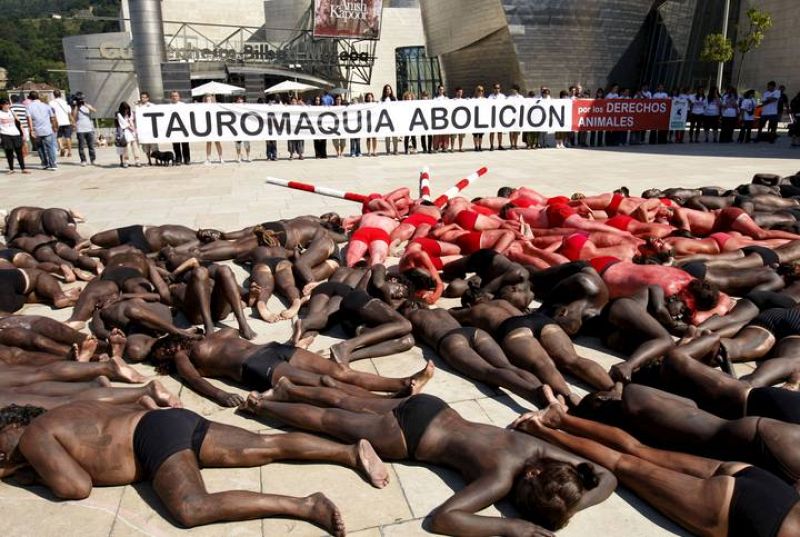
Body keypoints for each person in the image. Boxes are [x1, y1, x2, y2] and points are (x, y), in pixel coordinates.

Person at [242, 387, 616, 536]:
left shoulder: (536, 450)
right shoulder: (500, 478)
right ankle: (264, 404)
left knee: (343, 399)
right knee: (329, 421)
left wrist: (572, 497)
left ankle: (289, 387)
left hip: (433, 406)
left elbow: (607, 477)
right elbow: (442, 520)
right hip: (410, 437)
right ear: (529, 481)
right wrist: (512, 528)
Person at [0, 400, 391, 535]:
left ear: (12, 426)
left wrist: (15, 474)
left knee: (190, 508)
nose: (4, 455)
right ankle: (347, 453)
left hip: (150, 442)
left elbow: (74, 487)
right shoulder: (62, 414)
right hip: (169, 421)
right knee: (263, 445)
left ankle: (306, 505)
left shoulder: (34, 436)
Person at [512, 389, 800, 537]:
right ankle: (540, 430)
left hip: (772, 489)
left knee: (638, 449)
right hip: (748, 516)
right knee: (624, 464)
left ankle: (559, 418)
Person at [26, 91, 58, 171]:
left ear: (30, 98)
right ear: (38, 97)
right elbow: (52, 117)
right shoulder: (46, 106)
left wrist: (31, 130)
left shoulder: (29, 107)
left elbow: (29, 119)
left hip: (37, 130)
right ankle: (53, 164)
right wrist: (54, 126)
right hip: (47, 129)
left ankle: (44, 163)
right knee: (50, 147)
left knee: (40, 147)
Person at [0, 98, 27, 174]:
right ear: (1, 105)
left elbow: (19, 122)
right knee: (9, 152)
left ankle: (23, 168)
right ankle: (11, 169)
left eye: (8, 104)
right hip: (5, 134)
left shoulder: (12, 111)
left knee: (19, 152)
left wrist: (23, 133)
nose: (8, 106)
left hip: (16, 134)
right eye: (6, 104)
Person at [71, 94, 96, 166]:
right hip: (80, 129)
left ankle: (93, 159)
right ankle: (83, 160)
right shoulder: (76, 108)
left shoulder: (87, 106)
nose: (82, 101)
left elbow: (94, 110)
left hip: (89, 128)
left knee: (91, 145)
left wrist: (86, 105)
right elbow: (73, 116)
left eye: (82, 99)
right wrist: (76, 107)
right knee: (81, 146)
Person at [115, 101, 140, 168]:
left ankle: (137, 160)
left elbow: (134, 119)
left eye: (127, 109)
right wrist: (130, 127)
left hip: (133, 131)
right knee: (127, 147)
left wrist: (134, 129)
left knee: (135, 146)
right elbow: (123, 123)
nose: (126, 110)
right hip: (126, 131)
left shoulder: (131, 113)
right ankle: (126, 161)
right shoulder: (119, 114)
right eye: (125, 109)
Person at [49, 90, 73, 158]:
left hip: (57, 122)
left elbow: (51, 113)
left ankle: (61, 148)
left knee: (58, 136)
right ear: (61, 95)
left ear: (54, 95)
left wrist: (52, 122)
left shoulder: (51, 103)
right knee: (68, 137)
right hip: (66, 121)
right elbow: (69, 112)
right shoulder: (65, 102)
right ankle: (70, 152)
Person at [169, 91, 191, 165]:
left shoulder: (183, 105)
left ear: (179, 97)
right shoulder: (168, 106)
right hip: (173, 128)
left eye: (176, 96)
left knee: (185, 144)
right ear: (171, 97)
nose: (174, 97)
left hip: (183, 127)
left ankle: (187, 159)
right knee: (176, 145)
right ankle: (178, 159)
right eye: (173, 96)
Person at [136, 92, 157, 165]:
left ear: (148, 98)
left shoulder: (152, 106)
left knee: (154, 146)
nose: (143, 99)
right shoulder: (138, 107)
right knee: (145, 147)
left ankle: (156, 160)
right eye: (142, 97)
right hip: (143, 130)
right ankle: (149, 160)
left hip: (151, 129)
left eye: (144, 97)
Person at [202, 94, 223, 164]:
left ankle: (221, 157)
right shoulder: (202, 107)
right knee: (208, 143)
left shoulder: (216, 107)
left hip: (214, 126)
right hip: (207, 127)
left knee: (217, 142)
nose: (208, 101)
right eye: (207, 100)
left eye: (209, 99)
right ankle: (208, 158)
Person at [9, 94, 32, 158]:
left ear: (11, 100)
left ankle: (20, 153)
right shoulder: (24, 107)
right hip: (25, 125)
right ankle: (26, 154)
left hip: (16, 126)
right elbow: (28, 116)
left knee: (16, 140)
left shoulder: (10, 107)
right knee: (25, 140)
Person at [232, 95, 252, 163]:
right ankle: (238, 157)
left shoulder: (246, 107)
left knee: (247, 143)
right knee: (238, 144)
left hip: (245, 128)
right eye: (238, 99)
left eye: (241, 99)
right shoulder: (233, 107)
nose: (239, 100)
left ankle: (248, 156)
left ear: (243, 100)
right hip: (237, 128)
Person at [380, 84, 398, 155]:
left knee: (395, 135)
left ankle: (395, 149)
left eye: (389, 89)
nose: (388, 90)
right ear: (384, 91)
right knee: (387, 136)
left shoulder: (394, 99)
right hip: (385, 119)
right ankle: (388, 150)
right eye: (387, 89)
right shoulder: (382, 99)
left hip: (393, 119)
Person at [488, 82, 506, 150]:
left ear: (500, 89)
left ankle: (500, 145)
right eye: (495, 88)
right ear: (493, 89)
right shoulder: (490, 97)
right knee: (492, 132)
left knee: (500, 131)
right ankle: (492, 145)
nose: (497, 89)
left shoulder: (503, 96)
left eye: (498, 88)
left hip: (500, 116)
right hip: (493, 116)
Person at [472, 85, 486, 151]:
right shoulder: (473, 99)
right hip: (475, 119)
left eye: (481, 90)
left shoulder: (485, 100)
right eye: (479, 90)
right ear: (476, 91)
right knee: (475, 134)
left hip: (482, 118)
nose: (480, 92)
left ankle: (480, 146)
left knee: (481, 134)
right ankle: (476, 146)